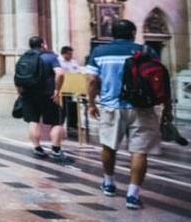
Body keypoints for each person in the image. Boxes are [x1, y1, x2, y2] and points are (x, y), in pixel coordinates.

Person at [87, 19, 170, 210]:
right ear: (133, 33)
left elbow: (92, 80)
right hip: (142, 108)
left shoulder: (100, 52)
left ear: (112, 34)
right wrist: (167, 108)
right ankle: (133, 195)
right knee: (139, 151)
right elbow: (160, 79)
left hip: (111, 106)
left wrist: (91, 103)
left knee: (109, 145)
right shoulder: (147, 51)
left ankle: (108, 183)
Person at [17, 36, 68, 162]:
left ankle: (37, 148)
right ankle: (56, 150)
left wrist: (19, 93)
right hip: (47, 94)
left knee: (34, 120)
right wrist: (57, 90)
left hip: (28, 93)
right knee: (56, 121)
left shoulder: (24, 57)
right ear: (43, 44)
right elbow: (60, 73)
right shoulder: (50, 57)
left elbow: (18, 77)